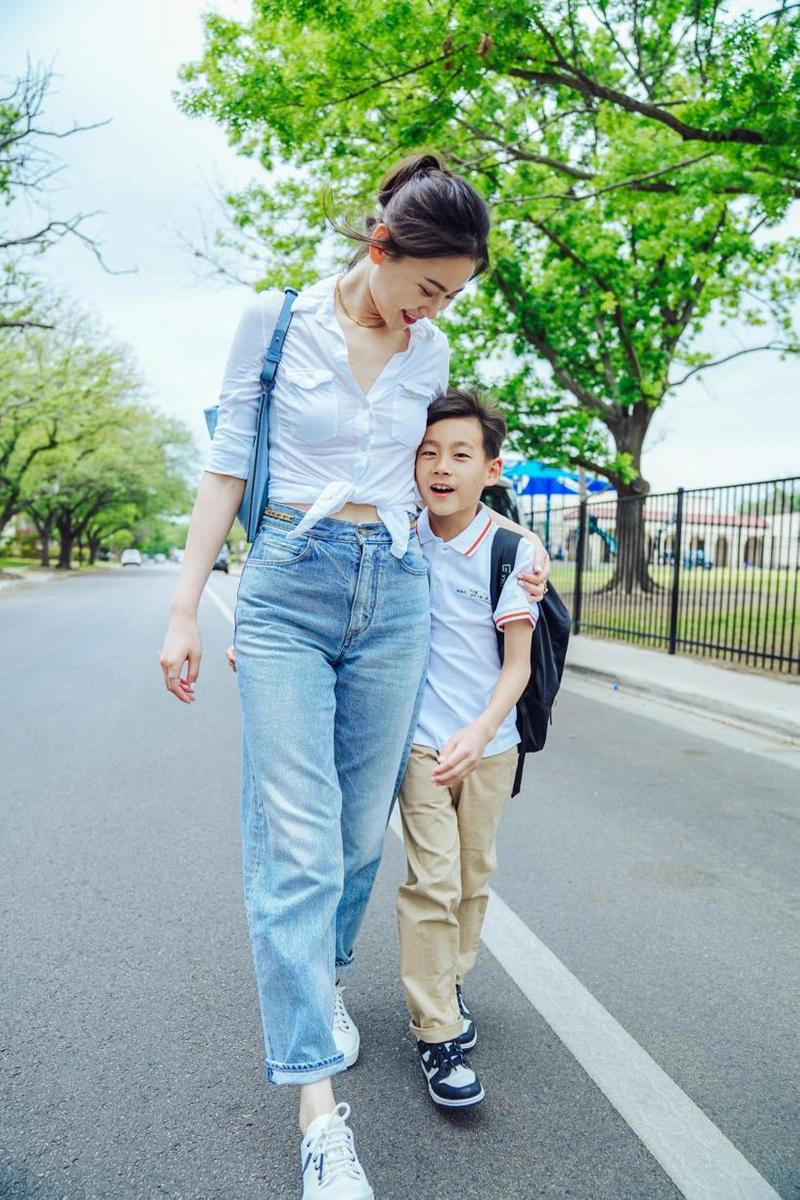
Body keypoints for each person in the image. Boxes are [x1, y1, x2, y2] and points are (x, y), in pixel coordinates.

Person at [159, 153, 549, 1200]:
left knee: (347, 835)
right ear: (382, 247)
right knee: (293, 843)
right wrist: (189, 604)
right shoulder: (275, 324)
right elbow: (228, 463)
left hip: (397, 595)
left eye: (452, 296)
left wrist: (502, 544)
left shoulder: (431, 352)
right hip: (288, 583)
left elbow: (437, 489)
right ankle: (318, 1108)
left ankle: (316, 979)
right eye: (427, 287)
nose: (435, 311)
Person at [396, 388, 539, 1110]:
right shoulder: (394, 533)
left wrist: (480, 732)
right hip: (420, 745)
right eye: (428, 453)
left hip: (489, 743)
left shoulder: (515, 550)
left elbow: (517, 664)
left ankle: (447, 982)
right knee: (434, 882)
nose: (441, 467)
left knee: (474, 878)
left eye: (460, 454)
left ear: (490, 469)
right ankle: (436, 1031)